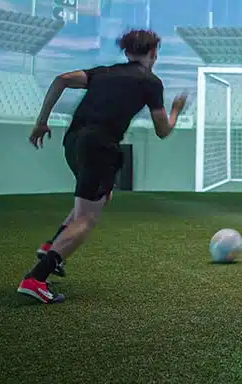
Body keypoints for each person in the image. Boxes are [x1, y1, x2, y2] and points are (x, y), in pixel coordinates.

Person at [18, 29, 186, 304]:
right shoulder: (151, 82)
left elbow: (61, 80)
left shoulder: (104, 72)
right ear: (154, 53)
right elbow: (163, 130)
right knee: (86, 218)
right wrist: (177, 109)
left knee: (97, 197)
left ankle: (51, 246)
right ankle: (36, 279)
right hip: (100, 146)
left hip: (73, 143)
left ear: (127, 51)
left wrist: (41, 122)